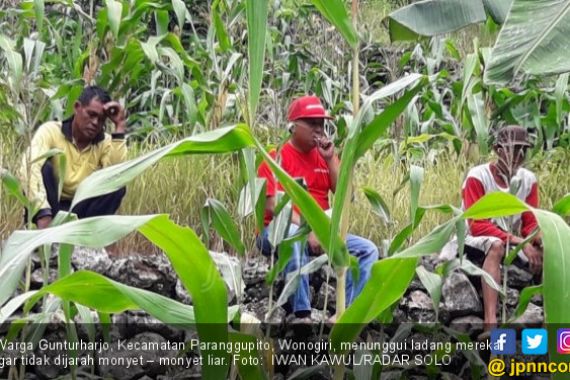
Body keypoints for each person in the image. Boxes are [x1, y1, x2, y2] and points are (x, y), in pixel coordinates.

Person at [257, 95, 379, 321]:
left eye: (322, 124)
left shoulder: (325, 157)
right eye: (312, 123)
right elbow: (272, 205)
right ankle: (302, 315)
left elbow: (347, 196)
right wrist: (310, 230)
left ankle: (348, 315)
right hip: (279, 231)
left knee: (368, 250)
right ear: (294, 126)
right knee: (294, 236)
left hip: (322, 232)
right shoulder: (275, 157)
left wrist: (331, 158)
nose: (319, 129)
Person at [459, 125, 543, 326]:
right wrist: (520, 242)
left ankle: (546, 312)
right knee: (496, 245)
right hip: (473, 239)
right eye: (513, 149)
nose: (518, 155)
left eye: (523, 150)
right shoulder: (478, 176)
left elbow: (530, 224)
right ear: (498, 150)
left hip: (510, 240)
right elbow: (477, 224)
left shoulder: (527, 180)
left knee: (549, 250)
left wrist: (539, 240)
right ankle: (490, 321)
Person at [20, 86, 128, 229]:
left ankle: (87, 239)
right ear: (77, 107)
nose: (95, 123)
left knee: (117, 187)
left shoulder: (105, 144)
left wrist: (119, 127)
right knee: (42, 168)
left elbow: (116, 176)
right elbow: (29, 166)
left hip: (81, 214)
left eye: (101, 119)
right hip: (50, 208)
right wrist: (42, 212)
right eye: (91, 114)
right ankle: (44, 232)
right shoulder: (51, 131)